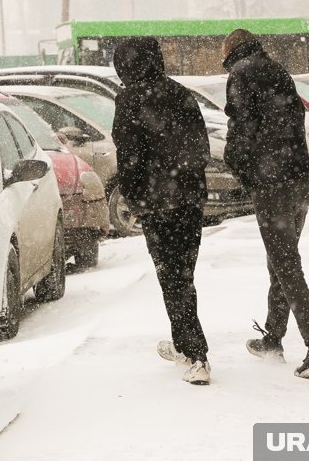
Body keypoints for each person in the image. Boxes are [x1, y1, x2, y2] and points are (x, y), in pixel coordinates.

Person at [221, 29, 309, 379]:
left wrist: (240, 167)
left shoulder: (241, 74)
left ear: (230, 48)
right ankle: (273, 338)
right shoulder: (278, 71)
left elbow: (241, 131)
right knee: (282, 259)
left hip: (272, 185)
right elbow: (291, 122)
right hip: (299, 179)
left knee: (286, 263)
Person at [112, 37, 212, 385]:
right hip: (188, 199)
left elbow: (129, 156)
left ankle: (196, 354)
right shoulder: (181, 93)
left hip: (158, 203)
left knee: (171, 277)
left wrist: (136, 199)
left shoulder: (129, 99)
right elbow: (201, 148)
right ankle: (185, 344)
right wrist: (188, 182)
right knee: (183, 274)